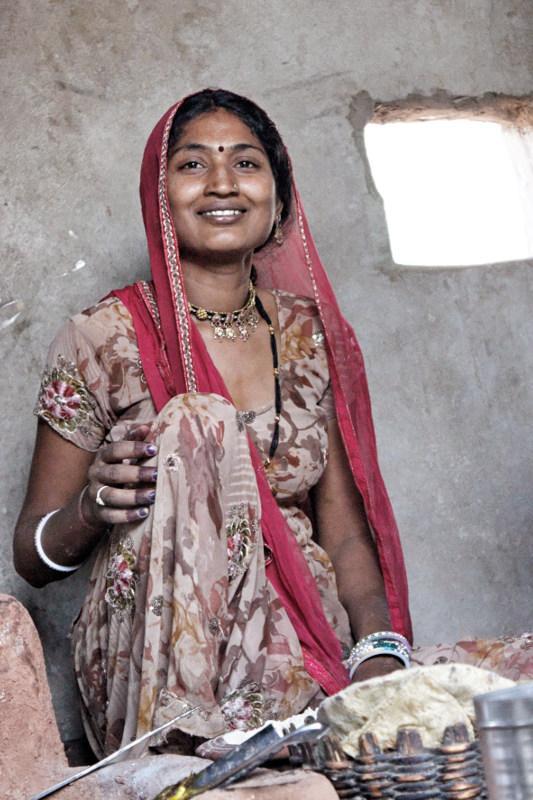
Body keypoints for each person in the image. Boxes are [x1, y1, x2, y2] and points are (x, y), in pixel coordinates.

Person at [13, 89, 412, 758]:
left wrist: (378, 649)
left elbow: (342, 535)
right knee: (199, 421)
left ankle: (283, 727)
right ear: (157, 196)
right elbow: (31, 556)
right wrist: (93, 506)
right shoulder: (101, 336)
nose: (222, 182)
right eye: (193, 164)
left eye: (246, 164)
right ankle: (190, 740)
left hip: (298, 640)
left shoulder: (308, 336)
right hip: (152, 658)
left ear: (278, 201)